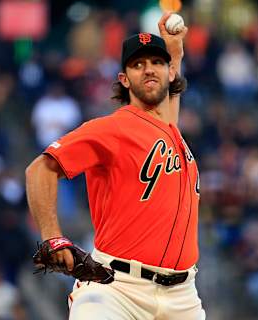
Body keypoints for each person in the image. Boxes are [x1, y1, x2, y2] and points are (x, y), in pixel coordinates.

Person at [25, 12, 206, 319]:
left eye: (156, 63)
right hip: (117, 290)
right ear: (124, 79)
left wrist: (175, 51)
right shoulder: (112, 129)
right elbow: (40, 169)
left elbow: (168, 96)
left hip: (183, 297)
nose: (149, 70)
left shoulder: (170, 130)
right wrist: (52, 235)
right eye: (138, 65)